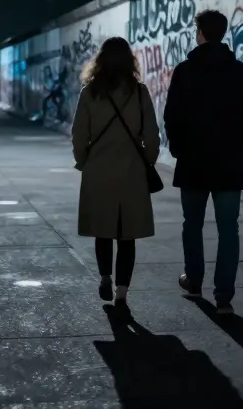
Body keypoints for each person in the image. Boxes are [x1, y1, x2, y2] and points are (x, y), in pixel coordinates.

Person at [162, 9, 243, 315]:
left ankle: (194, 280)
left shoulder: (184, 71)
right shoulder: (241, 72)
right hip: (228, 164)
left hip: (193, 162)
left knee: (191, 224)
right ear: (223, 33)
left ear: (201, 33)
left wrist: (179, 149)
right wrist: (238, 146)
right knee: (228, 230)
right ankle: (224, 298)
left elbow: (171, 117)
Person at [71, 37, 161, 308]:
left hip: (98, 170)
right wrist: (148, 160)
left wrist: (84, 160)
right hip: (131, 171)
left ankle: (105, 276)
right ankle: (122, 291)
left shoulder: (89, 92)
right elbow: (152, 136)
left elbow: (78, 135)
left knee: (103, 229)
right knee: (127, 234)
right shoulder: (139, 92)